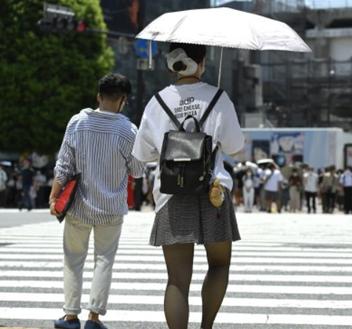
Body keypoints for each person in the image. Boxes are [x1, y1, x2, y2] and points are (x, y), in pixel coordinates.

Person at [131, 43, 244, 329]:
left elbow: (143, 154)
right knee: (219, 265)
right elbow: (236, 147)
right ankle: (206, 327)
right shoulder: (218, 97)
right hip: (213, 191)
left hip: (172, 193)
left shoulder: (157, 101)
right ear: (202, 62)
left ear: (172, 64)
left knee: (177, 281)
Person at [49, 73, 144, 329]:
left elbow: (64, 164)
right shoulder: (128, 130)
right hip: (111, 209)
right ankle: (94, 318)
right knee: (104, 261)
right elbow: (137, 170)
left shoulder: (78, 122)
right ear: (123, 100)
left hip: (78, 206)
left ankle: (70, 316)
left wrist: (55, 194)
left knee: (73, 259)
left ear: (98, 96)